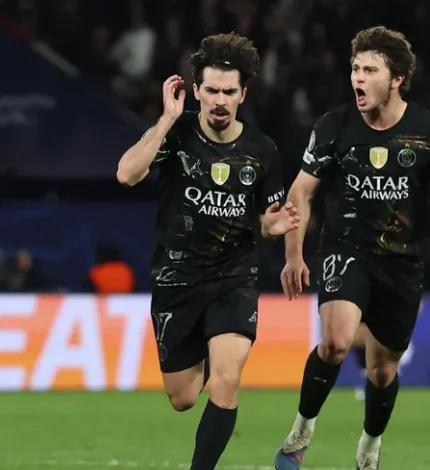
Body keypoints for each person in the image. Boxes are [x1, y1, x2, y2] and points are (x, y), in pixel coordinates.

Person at [274, 26, 430, 470]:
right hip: (345, 247)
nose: (358, 78)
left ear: (397, 79)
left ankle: (369, 445)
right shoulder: (333, 126)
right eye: (355, 69)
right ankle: (301, 431)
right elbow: (301, 191)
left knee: (383, 370)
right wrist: (294, 254)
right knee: (336, 342)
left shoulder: (428, 131)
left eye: (370, 70)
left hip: (403, 261)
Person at [116, 32, 299, 470]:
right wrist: (165, 119)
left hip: (233, 278)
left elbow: (267, 220)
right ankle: (200, 346)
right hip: (176, 279)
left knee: (226, 381)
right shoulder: (175, 133)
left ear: (243, 95)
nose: (220, 101)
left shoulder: (262, 151)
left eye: (229, 92)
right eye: (212, 90)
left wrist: (272, 227)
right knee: (182, 397)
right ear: (196, 90)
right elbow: (126, 174)